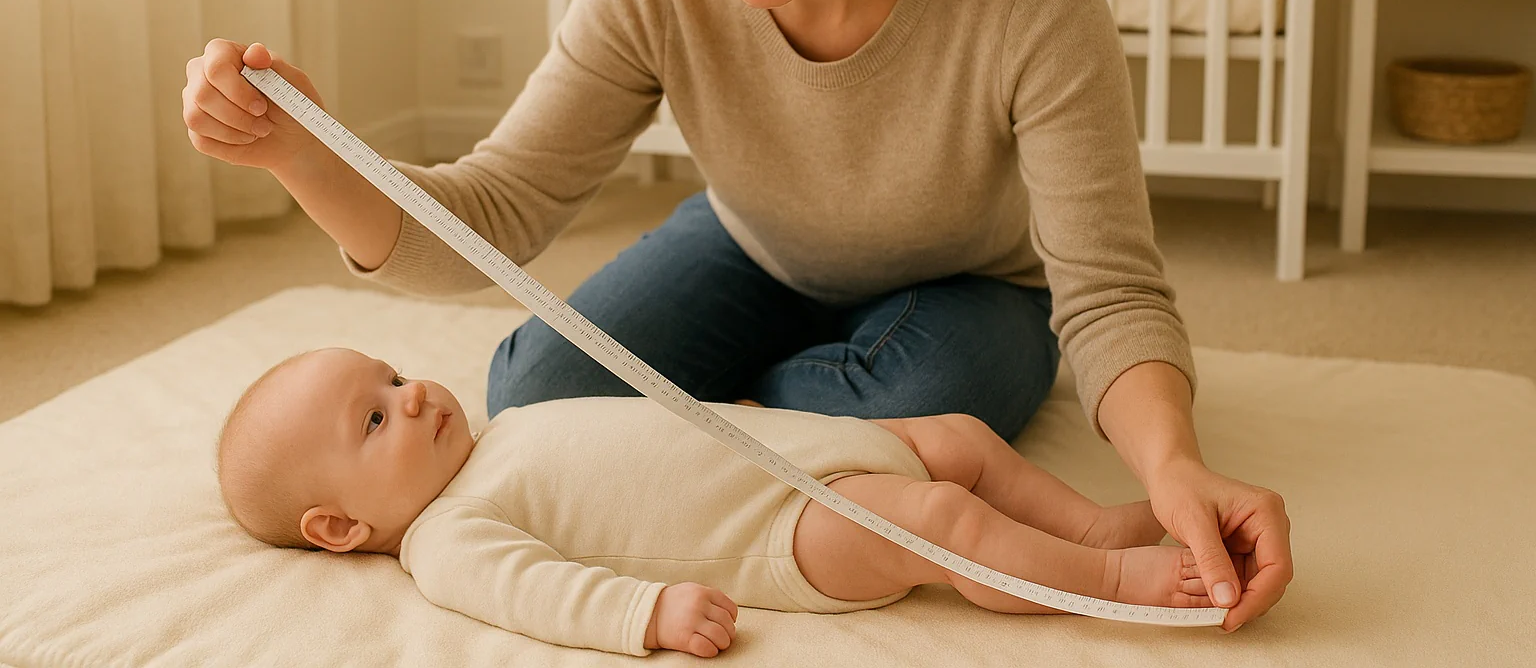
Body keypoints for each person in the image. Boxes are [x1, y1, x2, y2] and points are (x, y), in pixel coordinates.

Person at [183, 0, 1290, 632]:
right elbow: (494, 215)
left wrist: (1174, 464)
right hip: (752, 245)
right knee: (533, 401)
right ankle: (734, 418)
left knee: (926, 414)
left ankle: (709, 425)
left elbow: (1106, 288)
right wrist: (300, 155)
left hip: (970, 289)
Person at [217, 347, 1217, 657]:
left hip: (792, 447)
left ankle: (1088, 521)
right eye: (377, 422)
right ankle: (1108, 575)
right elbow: (532, 590)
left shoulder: (507, 429)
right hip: (781, 531)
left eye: (393, 380)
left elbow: (637, 437)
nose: (416, 397)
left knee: (956, 437)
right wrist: (641, 614)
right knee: (941, 523)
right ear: (342, 526)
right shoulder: (445, 536)